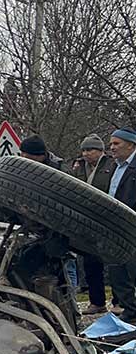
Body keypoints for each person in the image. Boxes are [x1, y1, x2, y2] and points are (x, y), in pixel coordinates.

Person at [71, 134, 116, 314]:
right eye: (84, 150)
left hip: (107, 219)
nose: (86, 153)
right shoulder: (78, 167)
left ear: (100, 151)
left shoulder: (111, 166)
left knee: (113, 263)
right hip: (86, 221)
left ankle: (119, 300)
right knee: (90, 263)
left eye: (90, 150)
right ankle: (96, 301)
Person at [106, 129, 136, 322]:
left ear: (131, 144)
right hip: (115, 226)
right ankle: (130, 309)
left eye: (116, 144)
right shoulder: (116, 167)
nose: (112, 148)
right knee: (117, 269)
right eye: (111, 144)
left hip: (132, 225)